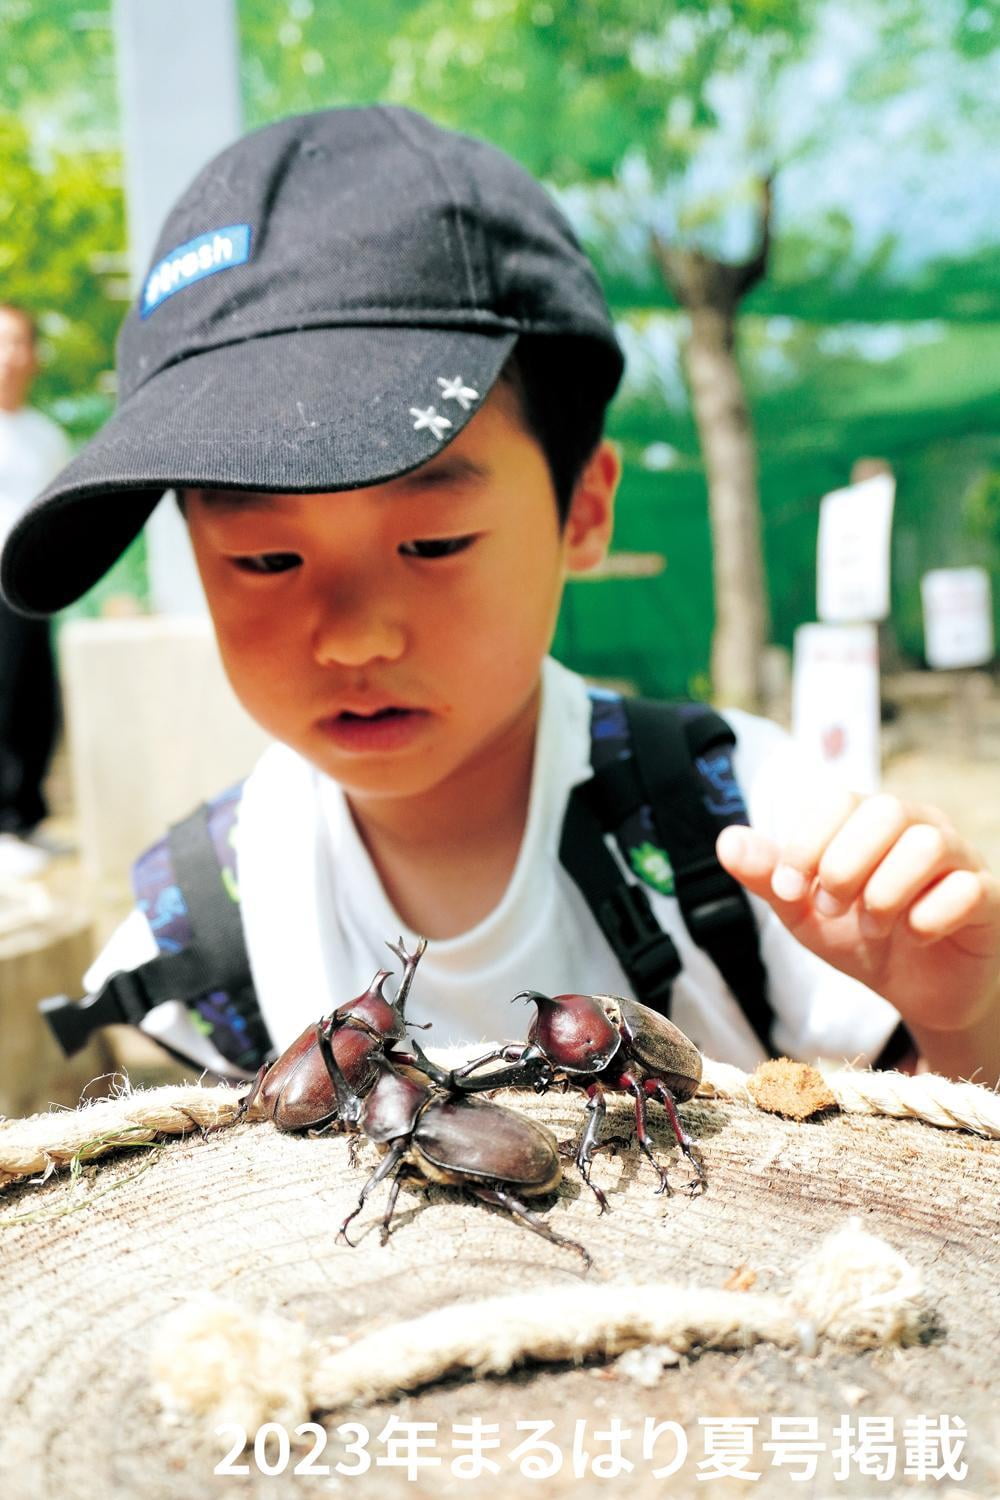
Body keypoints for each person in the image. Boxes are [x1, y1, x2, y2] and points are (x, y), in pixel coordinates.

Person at [2, 107, 997, 1088]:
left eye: (432, 541)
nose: (353, 636)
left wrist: (964, 1021)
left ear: (584, 510)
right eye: (265, 558)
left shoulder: (754, 835)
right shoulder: (201, 929)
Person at [0, 303, 72, 877]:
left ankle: (26, 819)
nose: (10, 356)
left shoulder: (45, 435)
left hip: (30, 593)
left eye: (19, 342)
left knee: (35, 703)